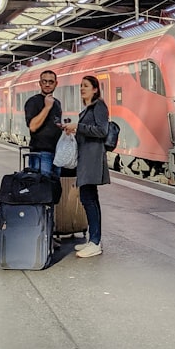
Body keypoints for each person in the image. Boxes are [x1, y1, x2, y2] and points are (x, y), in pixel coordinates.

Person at [60, 75, 110, 258]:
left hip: (92, 159)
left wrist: (78, 126)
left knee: (89, 200)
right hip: (86, 158)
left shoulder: (99, 106)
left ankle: (95, 242)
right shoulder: (88, 108)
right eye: (81, 86)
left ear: (95, 89)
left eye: (86, 86)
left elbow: (102, 130)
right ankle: (92, 239)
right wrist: (73, 130)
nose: (82, 88)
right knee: (89, 198)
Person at [24, 70, 63, 176]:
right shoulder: (33, 102)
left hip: (57, 153)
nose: (47, 84)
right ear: (40, 83)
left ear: (56, 83)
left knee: (55, 189)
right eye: (44, 81)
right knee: (41, 187)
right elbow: (33, 126)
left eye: (51, 82)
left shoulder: (57, 103)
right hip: (40, 153)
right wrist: (47, 107)